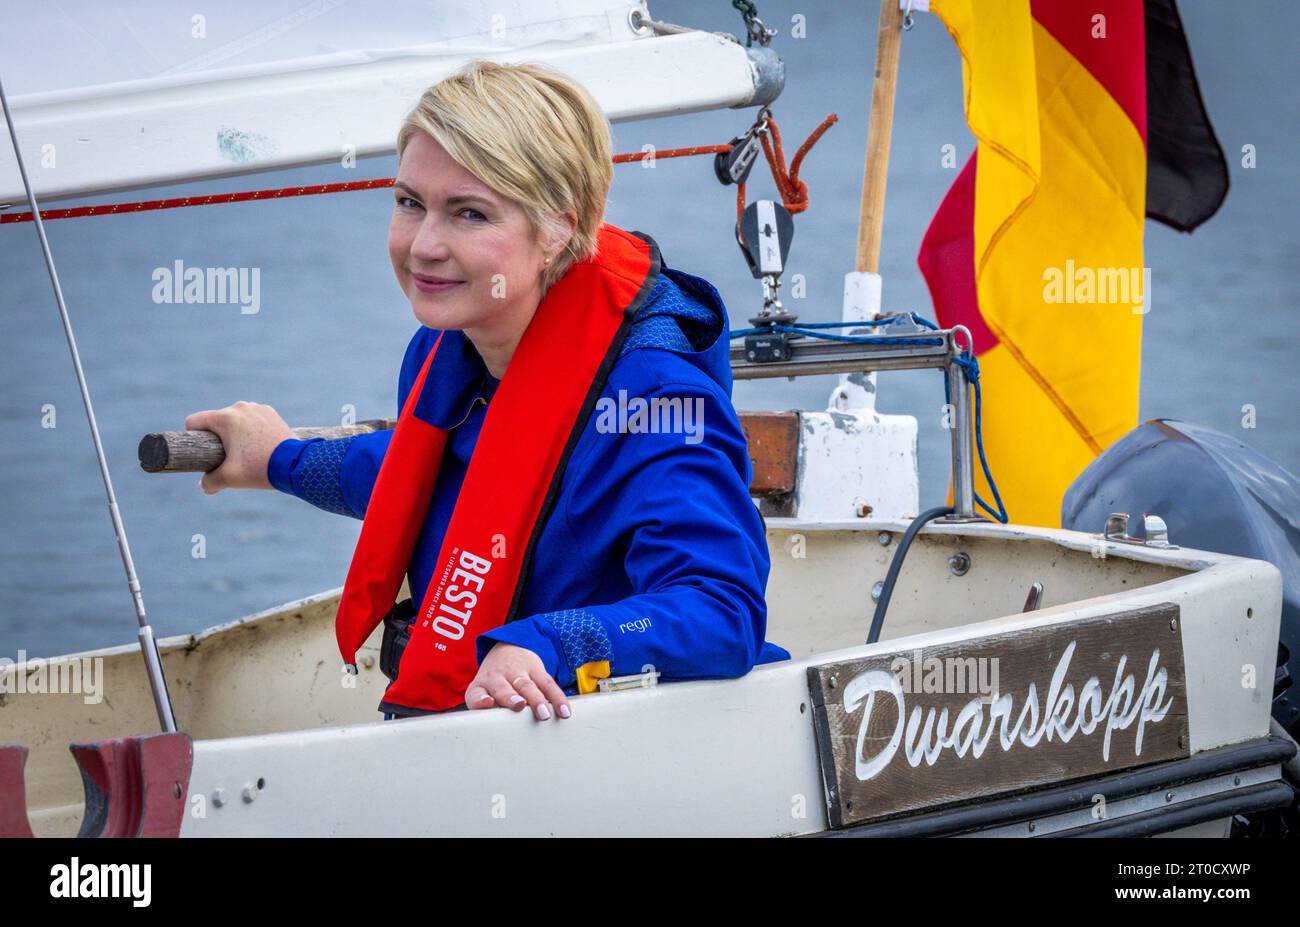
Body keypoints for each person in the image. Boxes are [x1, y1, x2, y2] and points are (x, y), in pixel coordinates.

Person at [184, 59, 789, 722]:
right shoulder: (455, 343)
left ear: (557, 229)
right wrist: (277, 457)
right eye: (409, 203)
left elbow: (719, 608)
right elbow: (429, 475)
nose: (424, 247)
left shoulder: (651, 400)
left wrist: (546, 646)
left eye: (469, 213)